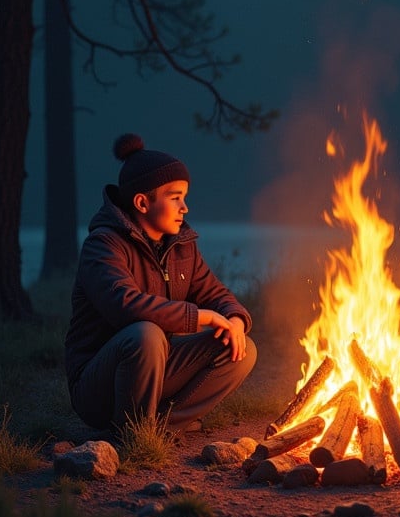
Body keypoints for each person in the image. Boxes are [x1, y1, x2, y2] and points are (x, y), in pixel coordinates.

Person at [65, 133, 257, 440]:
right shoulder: (103, 246)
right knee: (145, 333)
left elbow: (216, 294)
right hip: (99, 385)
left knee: (240, 348)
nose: (185, 208)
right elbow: (125, 306)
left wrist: (234, 318)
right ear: (142, 202)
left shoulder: (181, 247)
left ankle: (162, 426)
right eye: (175, 197)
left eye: (185, 197)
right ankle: (132, 432)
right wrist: (201, 317)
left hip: (156, 367)